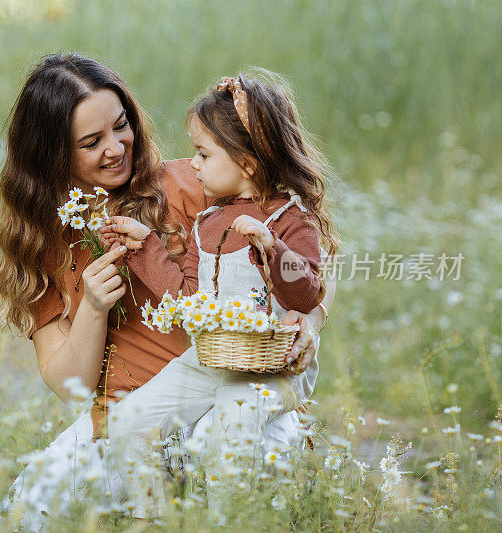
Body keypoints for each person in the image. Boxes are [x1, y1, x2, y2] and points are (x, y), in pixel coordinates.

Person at [0, 54, 334, 529]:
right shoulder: (40, 243)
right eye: (91, 142)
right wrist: (92, 308)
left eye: (121, 125)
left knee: (230, 462)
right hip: (126, 422)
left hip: (229, 394)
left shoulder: (191, 181)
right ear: (50, 156)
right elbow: (69, 384)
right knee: (20, 519)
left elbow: (309, 253)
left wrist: (310, 322)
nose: (116, 148)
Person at [101, 71, 337, 516]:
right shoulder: (207, 222)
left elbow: (308, 294)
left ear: (247, 162)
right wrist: (144, 246)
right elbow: (187, 294)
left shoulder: (291, 219)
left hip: (273, 370)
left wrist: (273, 248)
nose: (193, 163)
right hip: (211, 359)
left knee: (231, 427)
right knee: (131, 421)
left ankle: (229, 522)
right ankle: (153, 517)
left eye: (203, 153)